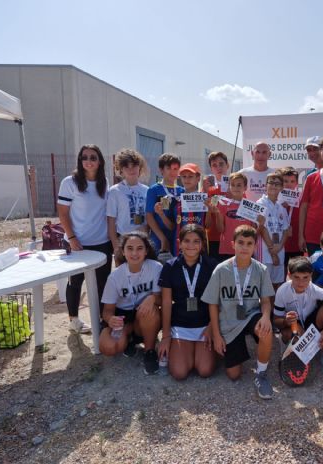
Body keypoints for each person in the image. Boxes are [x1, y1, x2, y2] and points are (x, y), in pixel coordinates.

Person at [202, 225, 276, 399]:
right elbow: (212, 304)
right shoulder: (221, 270)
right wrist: (217, 333)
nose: (244, 247)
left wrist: (266, 317)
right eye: (240, 243)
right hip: (228, 322)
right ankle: (233, 348)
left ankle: (261, 373)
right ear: (232, 244)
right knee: (233, 375)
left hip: (250, 315)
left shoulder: (261, 269)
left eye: (249, 243)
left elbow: (265, 300)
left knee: (266, 329)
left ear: (255, 246)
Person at [57, 144, 113, 334]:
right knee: (76, 282)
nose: (88, 161)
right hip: (78, 243)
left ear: (100, 161)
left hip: (102, 243)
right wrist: (72, 237)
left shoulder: (104, 182)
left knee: (102, 283)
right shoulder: (69, 182)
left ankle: (100, 320)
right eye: (85, 157)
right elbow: (62, 213)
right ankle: (74, 319)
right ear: (80, 161)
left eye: (93, 157)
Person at [98, 232, 163, 375]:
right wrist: (110, 319)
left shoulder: (156, 267)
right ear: (123, 251)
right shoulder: (115, 276)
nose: (135, 253)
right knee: (108, 347)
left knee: (150, 308)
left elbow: (162, 299)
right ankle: (129, 338)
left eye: (140, 248)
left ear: (146, 251)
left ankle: (149, 351)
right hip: (123, 317)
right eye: (130, 248)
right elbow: (107, 311)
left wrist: (152, 298)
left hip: (144, 314)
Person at [158, 225, 217, 380]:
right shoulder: (170, 267)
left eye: (196, 241)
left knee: (205, 370)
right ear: (179, 243)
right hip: (180, 324)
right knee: (179, 372)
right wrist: (165, 336)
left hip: (204, 324)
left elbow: (218, 300)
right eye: (187, 241)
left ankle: (195, 352)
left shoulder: (212, 266)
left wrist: (212, 328)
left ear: (202, 244)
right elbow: (165, 302)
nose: (191, 245)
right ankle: (185, 350)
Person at [273, 256, 323, 376]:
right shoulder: (282, 291)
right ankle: (294, 349)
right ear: (289, 275)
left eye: (305, 278)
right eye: (296, 277)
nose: (301, 282)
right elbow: (275, 320)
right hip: (294, 325)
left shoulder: (313, 288)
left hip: (310, 322)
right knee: (286, 334)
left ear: (311, 275)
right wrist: (286, 321)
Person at [106, 148, 149, 265]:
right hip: (123, 242)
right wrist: (116, 248)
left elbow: (148, 218)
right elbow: (111, 222)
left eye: (134, 165)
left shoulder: (146, 190)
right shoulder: (115, 191)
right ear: (121, 170)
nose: (131, 170)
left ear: (139, 167)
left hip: (142, 241)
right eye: (126, 167)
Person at [256, 173, 291, 290]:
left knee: (277, 285)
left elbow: (285, 230)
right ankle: (265, 308)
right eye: (271, 182)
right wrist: (273, 253)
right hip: (265, 253)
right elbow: (262, 229)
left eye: (277, 184)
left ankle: (274, 308)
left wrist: (280, 246)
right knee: (265, 286)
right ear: (266, 185)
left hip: (280, 251)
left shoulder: (281, 207)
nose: (274, 186)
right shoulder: (260, 203)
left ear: (281, 187)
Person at [146, 153, 183, 258]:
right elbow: (149, 216)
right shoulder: (154, 189)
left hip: (177, 237)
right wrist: (162, 238)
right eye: (168, 168)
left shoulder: (182, 191)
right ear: (161, 170)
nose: (172, 172)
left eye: (175, 169)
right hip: (159, 238)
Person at [212, 172, 256, 261]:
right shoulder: (223, 204)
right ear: (229, 187)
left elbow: (254, 231)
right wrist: (217, 213)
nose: (235, 188)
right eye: (233, 185)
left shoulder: (251, 206)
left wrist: (260, 223)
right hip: (227, 249)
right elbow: (220, 229)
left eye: (239, 185)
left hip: (246, 250)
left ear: (245, 187)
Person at [202, 151, 230, 256]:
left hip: (232, 237)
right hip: (213, 237)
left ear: (227, 165)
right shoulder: (207, 188)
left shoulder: (236, 186)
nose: (218, 167)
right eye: (214, 165)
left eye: (221, 164)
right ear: (211, 169)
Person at [278, 167, 303, 273]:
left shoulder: (301, 198)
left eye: (292, 181)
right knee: (280, 274)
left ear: (297, 183)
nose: (289, 184)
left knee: (297, 273)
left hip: (296, 243)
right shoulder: (275, 199)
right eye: (285, 181)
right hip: (280, 244)